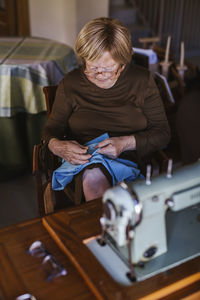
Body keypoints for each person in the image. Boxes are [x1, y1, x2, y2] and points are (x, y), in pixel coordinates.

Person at [42, 17, 170, 203]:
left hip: (132, 157)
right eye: (92, 67)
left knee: (126, 198)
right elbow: (51, 129)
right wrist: (56, 146)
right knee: (95, 178)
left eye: (108, 68)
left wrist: (125, 143)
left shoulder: (142, 81)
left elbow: (163, 133)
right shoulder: (71, 84)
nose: (99, 75)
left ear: (123, 62)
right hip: (85, 160)